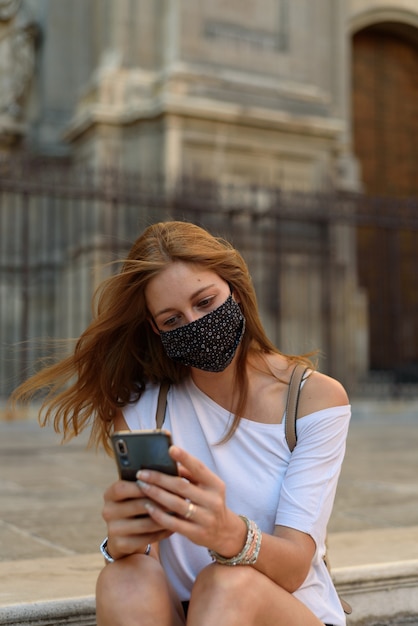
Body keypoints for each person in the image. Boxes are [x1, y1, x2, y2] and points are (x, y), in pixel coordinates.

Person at [12, 220, 350, 626]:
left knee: (225, 585)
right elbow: (148, 557)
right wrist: (124, 542)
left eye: (205, 303)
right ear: (156, 329)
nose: (194, 324)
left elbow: (296, 565)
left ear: (236, 291)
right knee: (123, 578)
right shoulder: (142, 408)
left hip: (286, 607)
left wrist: (227, 531)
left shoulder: (312, 399)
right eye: (172, 320)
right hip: (185, 614)